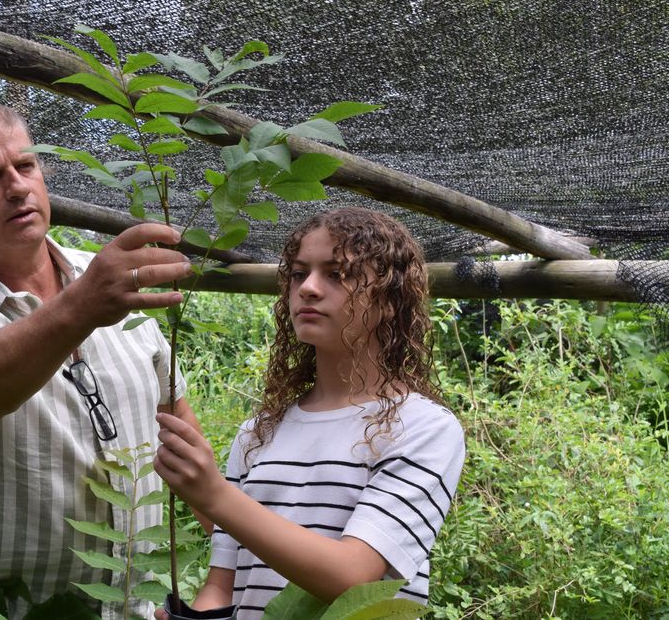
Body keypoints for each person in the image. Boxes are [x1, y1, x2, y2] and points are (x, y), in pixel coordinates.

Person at [0, 103, 208, 618]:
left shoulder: (110, 280)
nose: (17, 187)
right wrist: (82, 306)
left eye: (26, 166)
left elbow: (176, 417)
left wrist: (235, 559)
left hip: (137, 605)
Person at [154, 208, 466, 619]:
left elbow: (355, 577)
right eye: (299, 274)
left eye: (338, 274)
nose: (309, 289)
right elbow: (222, 585)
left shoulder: (423, 427)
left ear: (391, 299)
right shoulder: (258, 432)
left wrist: (214, 495)